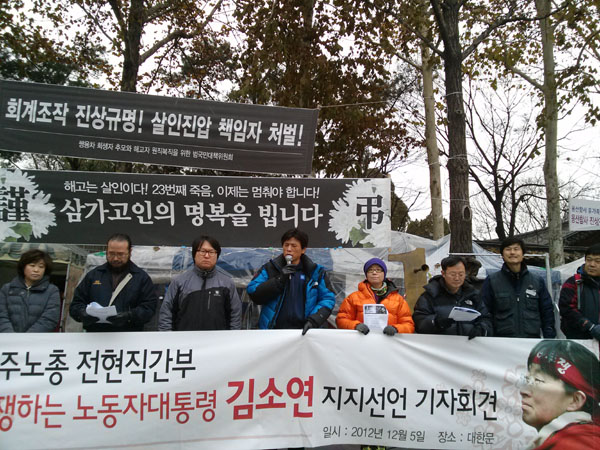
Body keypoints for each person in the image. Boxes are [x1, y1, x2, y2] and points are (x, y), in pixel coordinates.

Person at [247, 228, 335, 334]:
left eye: (294, 246)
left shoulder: (315, 272)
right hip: (273, 332)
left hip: (304, 332)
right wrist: (279, 280)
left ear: (303, 249)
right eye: (286, 245)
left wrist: (313, 321)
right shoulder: (270, 268)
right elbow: (253, 292)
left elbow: (328, 298)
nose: (289, 249)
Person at [520, 339, 600, 449]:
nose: (523, 392)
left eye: (537, 380)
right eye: (527, 380)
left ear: (575, 400)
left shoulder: (576, 445)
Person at [69, 233, 157, 332]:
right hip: (95, 336)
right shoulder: (93, 275)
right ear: (106, 251)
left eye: (120, 254)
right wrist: (82, 313)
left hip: (128, 336)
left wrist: (129, 316)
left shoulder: (141, 278)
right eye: (111, 253)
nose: (115, 258)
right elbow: (75, 305)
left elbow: (149, 308)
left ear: (130, 252)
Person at [158, 236, 242, 331]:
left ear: (217, 255)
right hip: (184, 339)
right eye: (202, 251)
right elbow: (167, 313)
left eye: (211, 252)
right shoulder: (179, 282)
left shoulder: (227, 284)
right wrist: (167, 336)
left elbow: (235, 315)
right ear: (194, 254)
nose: (206, 256)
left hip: (218, 339)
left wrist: (232, 337)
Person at [481, 237, 556, 338]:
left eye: (516, 249)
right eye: (508, 249)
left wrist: (549, 336)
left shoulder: (537, 281)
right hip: (501, 341)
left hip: (531, 341)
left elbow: (547, 311)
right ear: (502, 255)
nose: (512, 252)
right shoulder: (492, 281)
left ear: (523, 254)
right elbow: (484, 310)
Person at [412, 255, 492, 338]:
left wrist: (482, 329)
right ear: (443, 273)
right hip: (439, 344)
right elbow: (419, 322)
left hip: (469, 343)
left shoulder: (473, 294)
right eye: (453, 274)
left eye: (461, 274)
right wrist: (435, 322)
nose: (457, 278)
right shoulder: (430, 295)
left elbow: (486, 318)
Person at [336, 258, 414, 336]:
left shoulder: (399, 300)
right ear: (366, 275)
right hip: (361, 341)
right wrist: (355, 326)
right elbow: (341, 320)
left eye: (378, 270)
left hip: (389, 342)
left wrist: (396, 329)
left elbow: (409, 325)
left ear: (384, 274)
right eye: (370, 270)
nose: (374, 273)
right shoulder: (353, 298)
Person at [0, 249, 60, 332]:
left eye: (41, 267)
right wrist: (11, 336)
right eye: (32, 265)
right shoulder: (7, 289)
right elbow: (2, 316)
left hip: (37, 339)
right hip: (8, 338)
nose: (36, 270)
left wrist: (28, 337)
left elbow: (50, 319)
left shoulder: (52, 290)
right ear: (23, 267)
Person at [559, 243, 600, 340]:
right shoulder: (574, 282)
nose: (592, 264)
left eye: (597, 261)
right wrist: (589, 326)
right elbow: (567, 309)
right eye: (589, 260)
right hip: (579, 340)